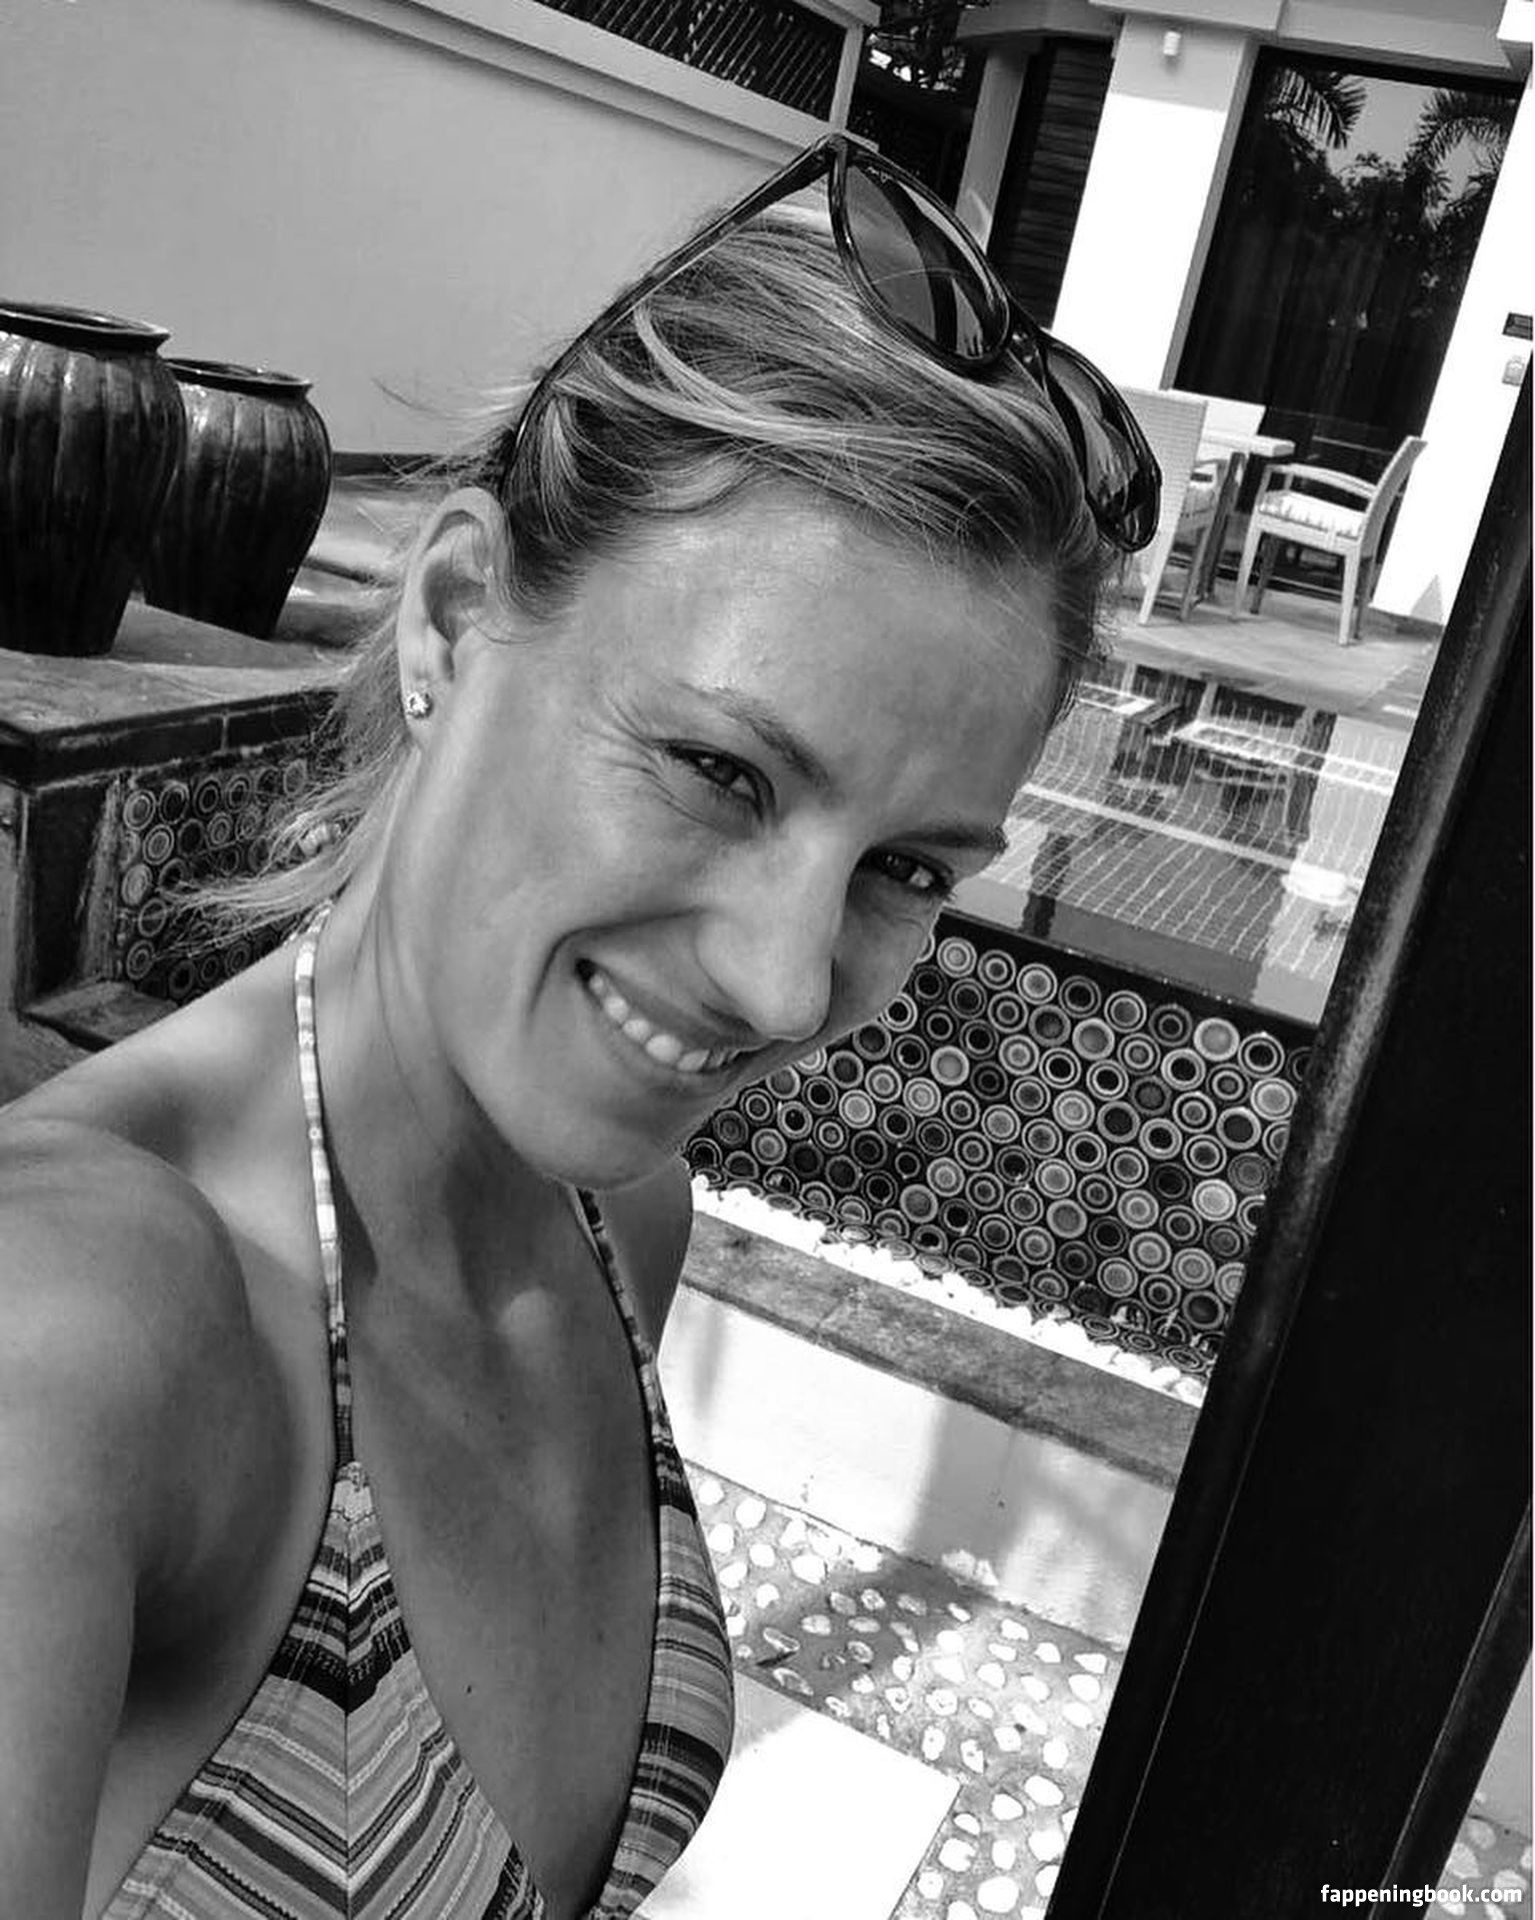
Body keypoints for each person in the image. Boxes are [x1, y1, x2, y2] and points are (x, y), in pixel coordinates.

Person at [0, 135, 1156, 1919]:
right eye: (720, 769)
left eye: (909, 870)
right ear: (454, 620)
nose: (787, 988)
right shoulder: (82, 1325)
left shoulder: (619, 1221)